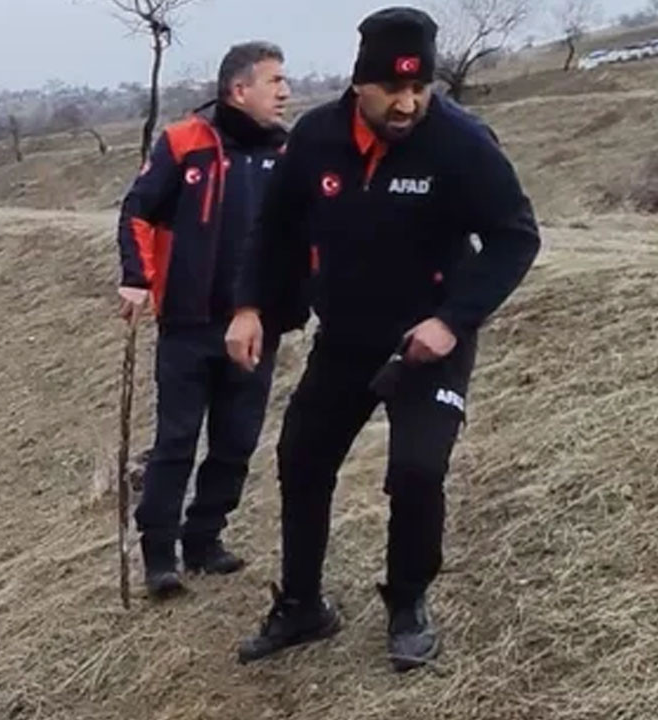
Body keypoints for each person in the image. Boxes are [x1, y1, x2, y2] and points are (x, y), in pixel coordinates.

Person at [227, 6, 540, 671]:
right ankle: (303, 605)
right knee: (301, 458)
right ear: (358, 82)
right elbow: (274, 230)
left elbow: (515, 237)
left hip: (429, 341)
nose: (406, 103)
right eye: (391, 88)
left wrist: (453, 320)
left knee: (418, 471)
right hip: (345, 334)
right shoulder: (315, 138)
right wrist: (250, 306)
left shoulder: (461, 143)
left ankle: (407, 603)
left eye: (419, 87)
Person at [115, 41, 293, 598]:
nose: (285, 92)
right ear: (239, 89)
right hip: (188, 324)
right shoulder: (184, 142)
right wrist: (138, 277)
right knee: (176, 440)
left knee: (237, 439)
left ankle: (204, 538)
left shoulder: (288, 152)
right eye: (275, 81)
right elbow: (138, 210)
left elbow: (306, 233)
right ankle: (159, 555)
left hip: (256, 325)